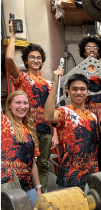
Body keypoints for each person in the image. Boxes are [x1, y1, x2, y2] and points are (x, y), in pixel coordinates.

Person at [6, 21, 58, 193]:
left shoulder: (49, 83)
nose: (36, 60)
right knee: (22, 162)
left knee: (43, 164)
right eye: (32, 57)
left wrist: (55, 133)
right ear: (26, 61)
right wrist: (13, 35)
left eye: (39, 58)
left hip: (45, 130)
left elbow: (53, 110)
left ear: (42, 61)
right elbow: (9, 58)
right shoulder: (22, 78)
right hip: (26, 129)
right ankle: (19, 196)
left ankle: (40, 196)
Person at [43, 72, 99, 189]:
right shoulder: (63, 112)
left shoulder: (93, 116)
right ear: (68, 91)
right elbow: (48, 117)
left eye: (82, 89)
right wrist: (55, 84)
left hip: (92, 176)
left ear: (87, 91)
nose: (78, 92)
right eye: (74, 89)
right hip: (69, 177)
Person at [1, 90, 41, 207]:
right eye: (18, 102)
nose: (22, 106)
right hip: (6, 186)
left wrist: (38, 188)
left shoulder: (29, 130)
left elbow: (32, 162)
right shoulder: (3, 123)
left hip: (27, 187)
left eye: (25, 103)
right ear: (9, 105)